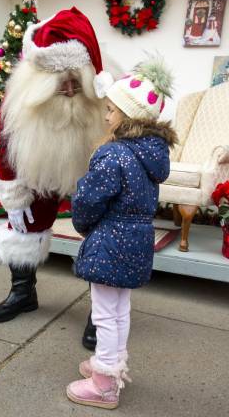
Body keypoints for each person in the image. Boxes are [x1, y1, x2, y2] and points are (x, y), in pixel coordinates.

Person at [0, 7, 116, 323]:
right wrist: (13, 195)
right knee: (24, 226)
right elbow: (3, 147)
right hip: (36, 173)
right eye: (61, 84)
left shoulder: (107, 99)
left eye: (76, 83)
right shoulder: (18, 103)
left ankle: (103, 314)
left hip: (89, 175)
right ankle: (22, 293)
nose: (71, 91)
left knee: (103, 236)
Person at [66, 55, 178, 409]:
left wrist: (83, 225)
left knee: (103, 313)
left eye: (112, 110)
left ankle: (104, 384)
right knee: (118, 310)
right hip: (137, 242)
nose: (106, 115)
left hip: (111, 240)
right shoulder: (150, 156)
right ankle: (110, 366)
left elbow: (88, 199)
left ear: (128, 117)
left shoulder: (113, 154)